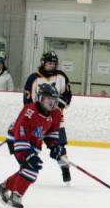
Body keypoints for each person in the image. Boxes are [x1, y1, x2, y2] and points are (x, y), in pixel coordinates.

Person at [0, 83, 64, 208]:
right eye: (49, 98)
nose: (52, 102)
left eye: (54, 99)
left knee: (29, 169)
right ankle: (15, 197)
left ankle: (4, 187)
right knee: (31, 168)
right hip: (17, 139)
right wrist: (28, 154)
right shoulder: (29, 111)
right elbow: (20, 133)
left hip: (34, 142)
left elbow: (52, 133)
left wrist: (54, 147)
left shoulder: (56, 114)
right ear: (41, 98)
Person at [23, 51, 73, 184]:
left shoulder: (61, 76)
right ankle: (25, 171)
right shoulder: (33, 78)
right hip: (38, 121)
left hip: (56, 121)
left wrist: (59, 105)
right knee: (31, 147)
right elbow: (27, 102)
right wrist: (32, 117)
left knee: (59, 147)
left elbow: (67, 95)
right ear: (43, 63)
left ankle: (65, 170)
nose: (51, 65)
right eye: (49, 63)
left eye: (53, 63)